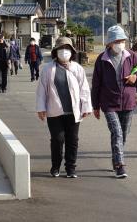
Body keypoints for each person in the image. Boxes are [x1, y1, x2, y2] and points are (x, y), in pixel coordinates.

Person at [91, 25, 137, 178]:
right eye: (117, 40)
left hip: (128, 101)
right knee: (117, 132)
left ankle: (115, 158)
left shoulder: (132, 55)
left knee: (123, 134)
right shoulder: (102, 60)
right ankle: (120, 165)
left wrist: (136, 77)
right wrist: (95, 106)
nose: (120, 43)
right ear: (109, 43)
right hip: (109, 103)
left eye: (122, 40)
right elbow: (96, 84)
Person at [36, 37, 92, 178]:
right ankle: (55, 166)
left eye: (67, 49)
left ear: (72, 52)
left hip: (73, 112)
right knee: (58, 139)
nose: (64, 52)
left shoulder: (77, 68)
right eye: (61, 49)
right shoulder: (48, 69)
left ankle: (71, 168)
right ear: (56, 52)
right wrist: (41, 108)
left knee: (72, 140)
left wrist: (86, 107)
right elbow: (42, 90)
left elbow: (84, 89)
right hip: (54, 111)